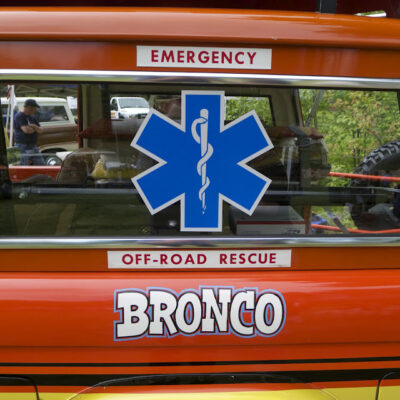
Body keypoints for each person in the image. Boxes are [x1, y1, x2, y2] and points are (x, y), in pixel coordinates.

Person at [14, 99, 45, 165]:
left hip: (32, 145)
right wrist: (36, 129)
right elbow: (27, 130)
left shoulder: (32, 117)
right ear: (29, 107)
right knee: (24, 165)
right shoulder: (19, 116)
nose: (36, 110)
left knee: (41, 164)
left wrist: (33, 126)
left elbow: (41, 130)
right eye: (35, 108)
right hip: (22, 145)